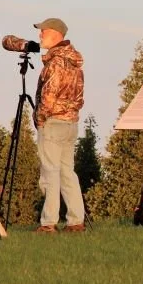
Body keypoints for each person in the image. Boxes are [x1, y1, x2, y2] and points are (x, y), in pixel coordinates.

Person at [32, 17, 86, 233]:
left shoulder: (55, 63)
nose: (40, 36)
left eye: (43, 32)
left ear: (55, 34)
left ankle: (49, 222)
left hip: (53, 122)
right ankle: (75, 220)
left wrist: (40, 118)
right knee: (67, 172)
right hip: (70, 123)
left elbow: (49, 96)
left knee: (50, 172)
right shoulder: (74, 63)